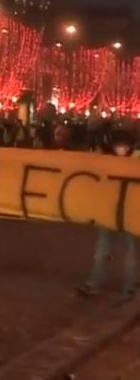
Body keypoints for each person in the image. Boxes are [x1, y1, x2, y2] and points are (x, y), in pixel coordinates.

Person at [77, 128, 138, 302]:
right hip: (109, 212)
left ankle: (129, 287)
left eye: (124, 146)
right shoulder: (107, 160)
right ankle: (94, 283)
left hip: (130, 213)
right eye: (119, 145)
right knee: (103, 250)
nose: (121, 149)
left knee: (130, 253)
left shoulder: (130, 160)